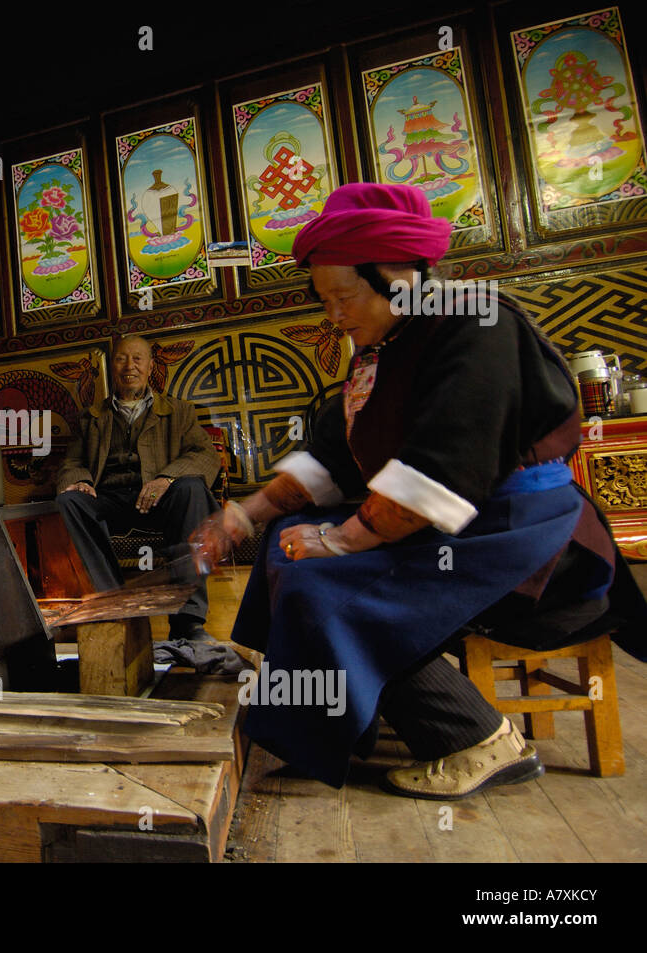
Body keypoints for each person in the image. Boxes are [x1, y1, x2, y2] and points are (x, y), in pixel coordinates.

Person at [190, 182, 647, 799]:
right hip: (459, 528)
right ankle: (348, 721)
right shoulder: (384, 346)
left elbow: (444, 467)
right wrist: (242, 517)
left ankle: (474, 739)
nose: (335, 315)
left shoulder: (475, 324)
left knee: (323, 583)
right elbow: (332, 458)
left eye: (344, 296)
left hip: (524, 539)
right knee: (279, 548)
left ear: (398, 274)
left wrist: (342, 539)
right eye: (325, 300)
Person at [56, 334, 226, 644]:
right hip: (110, 499)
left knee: (190, 489)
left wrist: (167, 479)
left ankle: (188, 623)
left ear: (150, 367)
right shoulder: (91, 417)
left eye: (137, 359)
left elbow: (205, 456)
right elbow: (72, 463)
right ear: (112, 367)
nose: (129, 366)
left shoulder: (179, 411)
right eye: (121, 359)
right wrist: (80, 480)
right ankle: (113, 604)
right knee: (69, 501)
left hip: (162, 499)